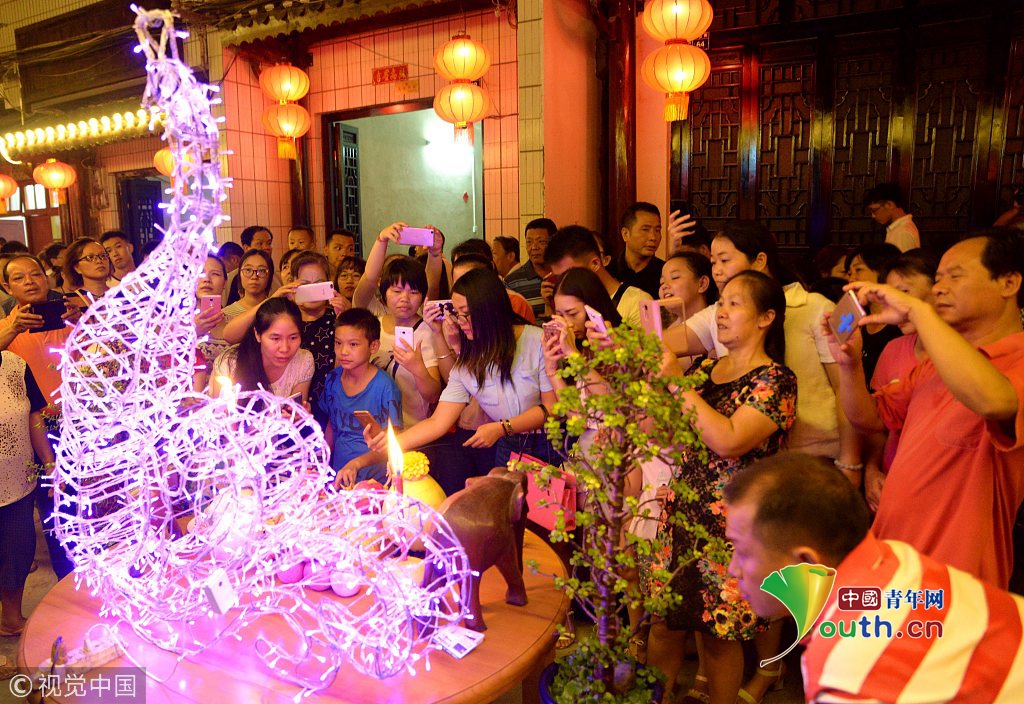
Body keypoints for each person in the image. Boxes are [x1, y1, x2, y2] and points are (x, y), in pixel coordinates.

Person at [724, 452, 1024, 703]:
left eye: (743, 551)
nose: (732, 569)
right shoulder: (897, 557)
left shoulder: (847, 672)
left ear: (806, 563)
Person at [827, 230, 1024, 588]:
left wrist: (919, 312)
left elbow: (995, 401)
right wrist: (849, 364)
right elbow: (871, 420)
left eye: (954, 276)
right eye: (938, 279)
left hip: (954, 573)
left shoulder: (1016, 360)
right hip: (894, 555)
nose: (939, 289)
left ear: (1008, 283)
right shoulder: (935, 361)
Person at [647, 270, 797, 704]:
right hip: (682, 514)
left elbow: (729, 440)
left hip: (730, 528)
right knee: (663, 624)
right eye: (720, 303)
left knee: (718, 635)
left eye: (734, 303)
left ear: (766, 317)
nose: (721, 312)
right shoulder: (706, 369)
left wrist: (675, 383)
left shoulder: (776, 380)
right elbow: (663, 430)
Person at [372, 268, 555, 496]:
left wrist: (502, 427)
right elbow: (438, 422)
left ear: (490, 309)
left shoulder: (536, 341)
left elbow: (551, 408)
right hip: (509, 448)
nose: (460, 322)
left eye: (466, 314)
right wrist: (392, 443)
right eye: (457, 314)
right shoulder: (467, 361)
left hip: (547, 444)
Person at [863, 250, 938, 511]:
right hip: (891, 487)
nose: (895, 304)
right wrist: (872, 469)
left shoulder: (966, 355)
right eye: (890, 295)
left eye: (904, 292)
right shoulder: (894, 349)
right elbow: (879, 426)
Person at [354, 230, 441, 428]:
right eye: (396, 291)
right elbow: (368, 279)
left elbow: (433, 395)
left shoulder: (427, 331)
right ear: (383, 293)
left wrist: (417, 368)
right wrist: (381, 239)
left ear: (422, 296)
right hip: (372, 429)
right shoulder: (373, 326)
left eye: (413, 292)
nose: (405, 299)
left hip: (414, 430)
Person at [0, 349, 56, 637]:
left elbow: (34, 416)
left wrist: (48, 461)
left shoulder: (16, 365)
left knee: (18, 551)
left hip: (18, 483)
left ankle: (11, 619)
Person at [320, 308, 402, 488]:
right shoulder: (333, 379)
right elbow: (331, 425)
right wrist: (322, 460)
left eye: (353, 344)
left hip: (376, 482)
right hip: (340, 477)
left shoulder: (385, 387)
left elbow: (393, 442)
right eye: (338, 343)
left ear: (373, 346)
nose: (343, 351)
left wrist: (356, 464)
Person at [544, 225, 652, 327]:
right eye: (559, 277)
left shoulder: (637, 303)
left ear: (595, 264)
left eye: (571, 274)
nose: (564, 281)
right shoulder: (568, 304)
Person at [210, 297, 313, 401]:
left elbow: (296, 406)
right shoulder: (229, 363)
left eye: (293, 338)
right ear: (258, 335)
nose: (285, 348)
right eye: (275, 338)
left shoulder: (303, 361)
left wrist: (300, 411)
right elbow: (218, 410)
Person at [844, 242, 903, 384]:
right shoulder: (855, 320)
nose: (851, 279)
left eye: (859, 270)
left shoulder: (903, 325)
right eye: (850, 273)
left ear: (884, 272)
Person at [609, 202, 665, 299]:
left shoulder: (664, 274)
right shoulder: (609, 272)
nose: (653, 237)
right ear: (625, 234)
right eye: (645, 230)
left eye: (657, 230)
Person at [505, 217, 557, 320]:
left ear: (554, 243)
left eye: (541, 242)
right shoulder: (512, 282)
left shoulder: (564, 275)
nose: (534, 247)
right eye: (529, 242)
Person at [193, 254, 228, 391]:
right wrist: (192, 332)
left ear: (225, 283)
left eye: (215, 274)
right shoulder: (175, 322)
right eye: (200, 273)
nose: (206, 279)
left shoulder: (234, 324)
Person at [864, 182, 920, 251]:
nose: (873, 216)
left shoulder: (903, 232)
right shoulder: (898, 228)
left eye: (874, 210)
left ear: (889, 205)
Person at [222, 250, 274, 323]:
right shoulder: (226, 314)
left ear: (270, 276)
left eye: (261, 271)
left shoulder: (277, 311)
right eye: (248, 270)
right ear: (239, 274)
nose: (254, 276)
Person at [62, 237, 110, 311]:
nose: (99, 261)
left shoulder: (123, 295)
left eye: (103, 256)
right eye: (90, 257)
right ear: (77, 268)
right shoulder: (69, 301)